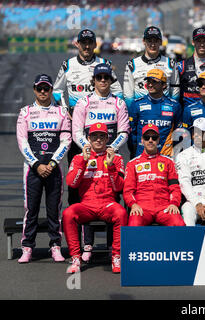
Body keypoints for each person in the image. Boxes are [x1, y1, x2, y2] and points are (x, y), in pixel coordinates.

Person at [53, 29, 123, 211]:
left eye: (89, 42)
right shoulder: (67, 65)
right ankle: (76, 212)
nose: (86, 46)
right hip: (78, 124)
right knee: (77, 168)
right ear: (77, 44)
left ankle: (106, 210)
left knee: (105, 171)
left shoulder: (104, 63)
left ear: (94, 44)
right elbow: (57, 90)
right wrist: (64, 108)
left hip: (100, 125)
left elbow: (119, 92)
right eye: (82, 42)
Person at [71, 63, 130, 262]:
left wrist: (111, 148)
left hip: (110, 153)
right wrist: (86, 147)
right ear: (93, 80)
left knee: (112, 195)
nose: (103, 80)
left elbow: (124, 131)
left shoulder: (119, 103)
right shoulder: (83, 103)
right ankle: (87, 244)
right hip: (89, 152)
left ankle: (113, 247)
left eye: (106, 77)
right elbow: (77, 131)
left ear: (111, 80)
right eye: (99, 77)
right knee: (88, 192)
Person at [16, 74, 71, 263]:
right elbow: (22, 142)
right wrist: (37, 164)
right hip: (32, 168)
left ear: (50, 91)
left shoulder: (61, 113)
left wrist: (52, 163)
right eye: (39, 88)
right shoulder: (25, 112)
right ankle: (27, 247)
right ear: (34, 89)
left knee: (54, 209)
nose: (42, 92)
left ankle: (55, 245)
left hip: (54, 167)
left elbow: (66, 141)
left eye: (46, 88)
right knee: (31, 210)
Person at [64, 122, 128, 274]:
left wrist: (111, 166)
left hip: (108, 204)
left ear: (107, 139)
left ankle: (116, 256)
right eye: (94, 136)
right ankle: (75, 258)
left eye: (102, 136)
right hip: (87, 205)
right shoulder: (79, 157)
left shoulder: (117, 157)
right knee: (68, 214)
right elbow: (72, 183)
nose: (98, 140)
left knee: (121, 213)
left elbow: (118, 187)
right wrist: (83, 162)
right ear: (88, 138)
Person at [124, 124, 186, 227]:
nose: (150, 140)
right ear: (142, 140)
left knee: (178, 223)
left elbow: (174, 188)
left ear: (158, 140)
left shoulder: (168, 162)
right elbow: (128, 191)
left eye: (154, 137)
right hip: (142, 208)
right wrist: (133, 205)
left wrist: (174, 203)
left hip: (164, 207)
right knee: (134, 224)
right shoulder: (133, 163)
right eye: (147, 137)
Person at [128, 68, 182, 158]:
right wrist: (134, 151)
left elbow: (178, 133)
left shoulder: (174, 106)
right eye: (148, 81)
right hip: (142, 155)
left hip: (165, 155)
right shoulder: (136, 104)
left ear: (164, 85)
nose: (150, 84)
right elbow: (132, 133)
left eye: (154, 82)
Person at [123, 26, 180, 107]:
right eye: (149, 41)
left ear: (160, 42)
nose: (152, 44)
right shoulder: (132, 64)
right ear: (144, 41)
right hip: (141, 113)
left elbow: (175, 93)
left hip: (164, 111)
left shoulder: (171, 64)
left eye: (156, 41)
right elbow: (128, 96)